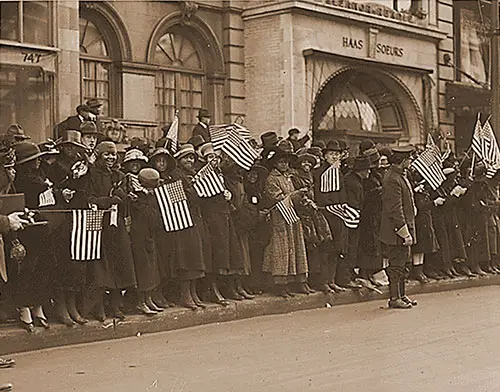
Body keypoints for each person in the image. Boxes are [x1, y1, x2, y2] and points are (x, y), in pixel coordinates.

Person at [85, 141, 137, 321]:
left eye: (113, 155)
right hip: (98, 225)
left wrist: (124, 197)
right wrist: (107, 201)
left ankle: (116, 304)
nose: (110, 158)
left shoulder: (119, 175)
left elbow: (123, 200)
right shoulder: (91, 175)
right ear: (99, 156)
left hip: (116, 226)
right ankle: (99, 307)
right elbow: (88, 199)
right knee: (101, 268)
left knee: (119, 264)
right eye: (106, 154)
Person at [13, 142, 58, 330]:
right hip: (26, 228)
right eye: (33, 160)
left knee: (45, 266)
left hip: (42, 226)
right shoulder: (19, 180)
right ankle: (24, 307)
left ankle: (38, 305)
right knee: (28, 269)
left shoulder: (40, 176)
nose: (37, 162)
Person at [262, 145, 309, 297]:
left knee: (295, 247)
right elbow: (276, 198)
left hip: (292, 215)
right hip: (279, 217)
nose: (284, 164)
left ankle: (297, 280)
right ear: (275, 163)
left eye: (286, 162)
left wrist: (302, 198)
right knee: (280, 249)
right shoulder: (272, 179)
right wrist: (295, 195)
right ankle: (280, 283)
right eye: (281, 162)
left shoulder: (288, 177)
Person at [379, 145, 417, 309]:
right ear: (402, 160)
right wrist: (404, 232)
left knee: (402, 264)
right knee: (396, 266)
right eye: (409, 159)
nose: (411, 161)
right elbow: (395, 209)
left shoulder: (399, 175)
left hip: (403, 228)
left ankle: (401, 294)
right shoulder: (392, 179)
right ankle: (394, 297)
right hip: (396, 231)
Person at [129, 168, 163, 316]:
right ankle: (140, 301)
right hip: (139, 236)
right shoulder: (137, 197)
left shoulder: (154, 197)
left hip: (150, 234)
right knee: (142, 269)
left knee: (151, 269)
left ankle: (148, 298)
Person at [337, 155, 372, 287]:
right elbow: (353, 204)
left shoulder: (353, 180)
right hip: (351, 219)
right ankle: (345, 278)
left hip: (351, 218)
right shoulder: (354, 183)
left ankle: (349, 275)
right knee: (350, 247)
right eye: (367, 169)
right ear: (361, 170)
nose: (369, 172)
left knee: (351, 248)